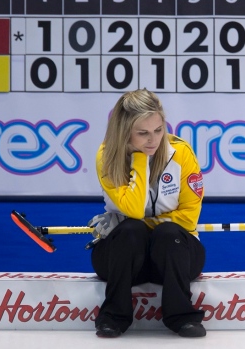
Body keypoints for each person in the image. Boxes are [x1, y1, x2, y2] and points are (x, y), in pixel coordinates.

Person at [88, 89, 206, 338]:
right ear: (124, 132)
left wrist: (135, 222)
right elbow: (132, 208)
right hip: (126, 258)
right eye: (142, 133)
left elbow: (188, 218)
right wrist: (139, 159)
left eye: (158, 130)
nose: (153, 140)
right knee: (131, 230)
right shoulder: (107, 156)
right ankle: (113, 317)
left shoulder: (181, 153)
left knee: (167, 233)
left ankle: (182, 317)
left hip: (174, 257)